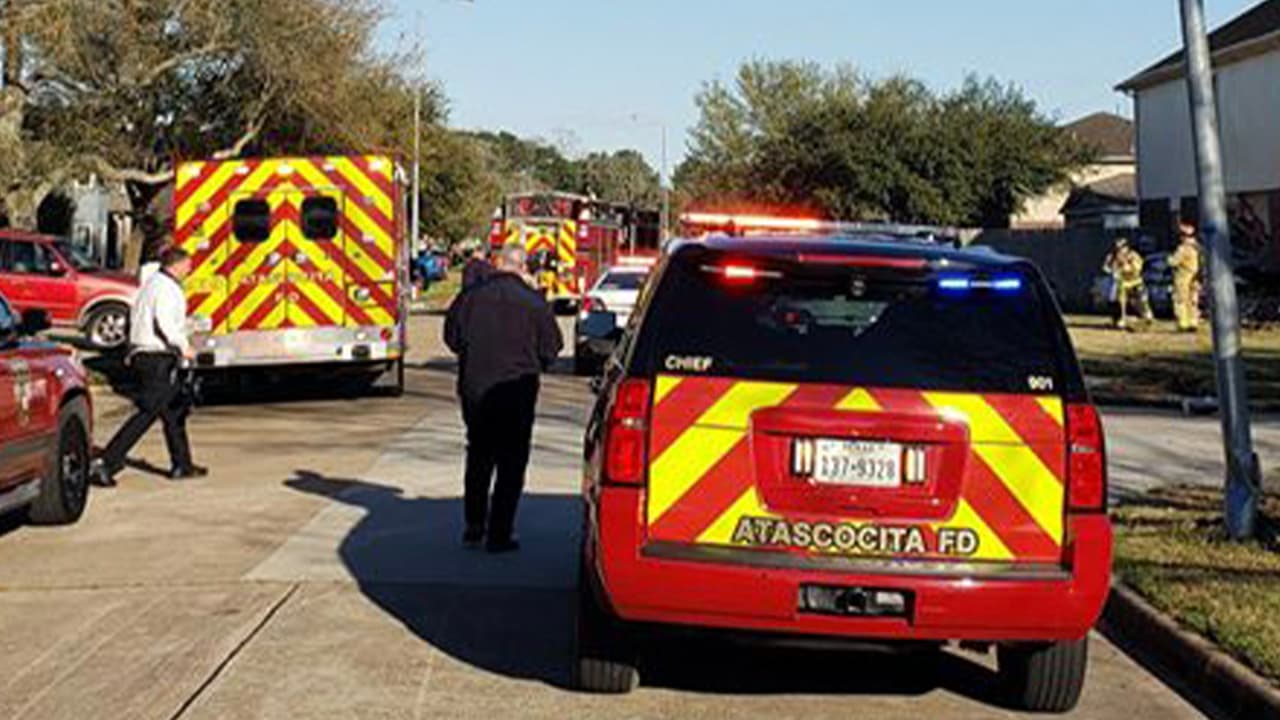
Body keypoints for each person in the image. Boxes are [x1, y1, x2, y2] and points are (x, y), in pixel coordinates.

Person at [444, 244, 563, 553]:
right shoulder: (534, 302)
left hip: (476, 388)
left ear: (497, 264)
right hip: (516, 392)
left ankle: (474, 524)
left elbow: (452, 338)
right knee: (512, 461)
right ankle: (500, 533)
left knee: (479, 454)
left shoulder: (469, 298)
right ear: (522, 267)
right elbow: (552, 348)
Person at [93, 246, 207, 486]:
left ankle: (182, 464)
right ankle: (107, 463)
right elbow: (164, 322)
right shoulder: (165, 289)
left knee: (174, 412)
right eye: (187, 265)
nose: (189, 269)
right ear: (176, 265)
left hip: (149, 355)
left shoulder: (153, 284)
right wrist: (183, 347)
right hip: (155, 357)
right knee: (147, 412)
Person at [1103, 237, 1153, 330]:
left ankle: (1146, 316)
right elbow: (1106, 267)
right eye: (1118, 248)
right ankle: (1120, 318)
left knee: (1141, 299)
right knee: (1119, 300)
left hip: (1135, 281)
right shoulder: (1112, 256)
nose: (1120, 250)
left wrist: (1128, 268)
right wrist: (1112, 271)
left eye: (1122, 247)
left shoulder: (1133, 255)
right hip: (1122, 283)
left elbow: (1138, 267)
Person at [1169, 222, 1203, 333]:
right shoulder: (1198, 248)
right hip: (1196, 277)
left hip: (1183, 277)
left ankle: (1183, 323)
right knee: (1193, 301)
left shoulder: (1183, 249)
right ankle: (1193, 322)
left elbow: (1173, 262)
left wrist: (1169, 257)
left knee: (1181, 300)